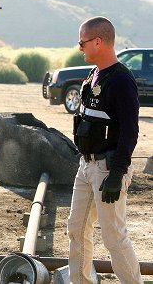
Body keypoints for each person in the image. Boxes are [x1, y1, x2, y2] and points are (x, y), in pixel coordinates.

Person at [68, 16, 142, 284]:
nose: (80, 48)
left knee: (114, 236)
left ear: (98, 42)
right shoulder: (94, 73)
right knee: (76, 228)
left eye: (82, 42)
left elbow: (130, 131)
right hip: (86, 166)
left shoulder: (121, 80)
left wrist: (117, 173)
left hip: (108, 168)